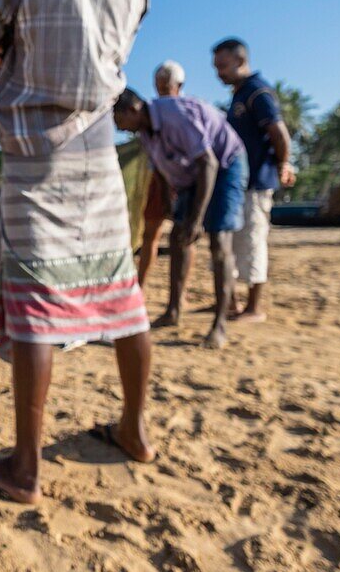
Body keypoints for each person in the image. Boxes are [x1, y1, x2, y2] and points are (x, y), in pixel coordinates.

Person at [0, 0, 154, 505]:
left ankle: (25, 467)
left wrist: (17, 59)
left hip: (34, 155)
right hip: (97, 149)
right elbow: (113, 61)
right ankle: (134, 429)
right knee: (122, 292)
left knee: (36, 305)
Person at [113, 88, 248, 348]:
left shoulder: (176, 116)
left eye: (117, 120)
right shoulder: (145, 133)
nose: (117, 127)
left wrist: (196, 219)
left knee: (219, 241)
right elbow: (162, 172)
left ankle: (219, 325)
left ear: (132, 109)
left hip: (224, 165)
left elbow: (209, 162)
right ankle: (173, 311)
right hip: (191, 175)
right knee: (178, 237)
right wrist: (169, 206)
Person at [211, 38, 296, 322]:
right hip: (239, 184)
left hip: (257, 181)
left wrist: (284, 163)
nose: (218, 73)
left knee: (252, 241)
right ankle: (231, 303)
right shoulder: (239, 94)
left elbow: (278, 131)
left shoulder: (257, 92)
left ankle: (254, 307)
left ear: (240, 61)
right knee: (233, 244)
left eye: (222, 66)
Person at [137, 60, 186, 288]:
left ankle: (180, 293)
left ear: (179, 85)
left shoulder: (187, 111)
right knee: (150, 236)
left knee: (184, 238)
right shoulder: (150, 112)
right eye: (159, 83)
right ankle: (141, 286)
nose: (162, 87)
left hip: (185, 180)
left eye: (166, 83)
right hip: (159, 179)